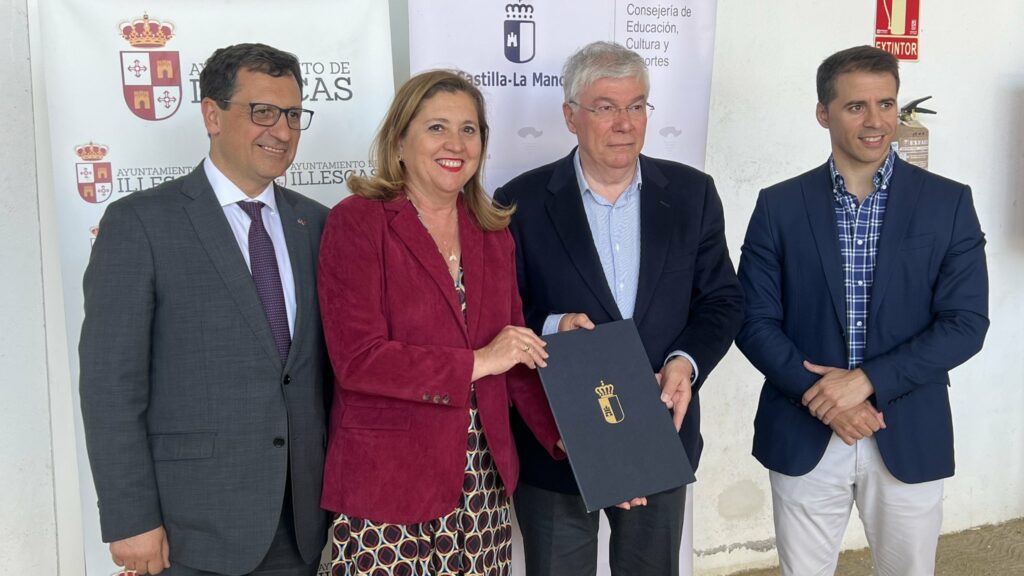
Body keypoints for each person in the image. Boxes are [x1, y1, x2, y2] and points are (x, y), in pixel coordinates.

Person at [735, 45, 989, 576]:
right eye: (856, 107)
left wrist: (867, 381)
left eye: (886, 104)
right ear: (823, 113)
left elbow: (965, 324)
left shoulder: (948, 203)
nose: (876, 121)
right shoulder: (779, 206)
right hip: (803, 429)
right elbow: (753, 320)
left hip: (908, 428)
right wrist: (825, 399)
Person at [494, 41, 743, 576]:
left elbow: (722, 299)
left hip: (659, 427)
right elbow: (498, 313)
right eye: (605, 107)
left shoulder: (693, 194)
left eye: (636, 106)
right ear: (571, 116)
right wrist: (551, 325)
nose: (625, 123)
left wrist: (685, 363)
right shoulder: (519, 202)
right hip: (558, 438)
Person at [80, 43, 329, 575]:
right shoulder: (140, 224)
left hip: (303, 525)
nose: (282, 131)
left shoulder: (317, 224)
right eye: (262, 111)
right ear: (212, 115)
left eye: (292, 115)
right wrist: (130, 518)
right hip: (190, 531)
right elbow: (110, 387)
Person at [317, 69, 563, 576]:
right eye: (437, 127)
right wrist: (479, 361)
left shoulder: (492, 232)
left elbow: (515, 357)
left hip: (482, 482)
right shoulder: (357, 221)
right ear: (399, 140)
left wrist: (576, 440)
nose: (456, 144)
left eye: (469, 129)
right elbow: (359, 360)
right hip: (389, 483)